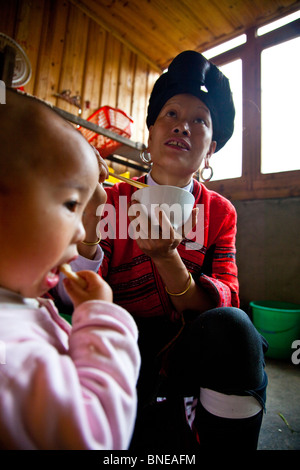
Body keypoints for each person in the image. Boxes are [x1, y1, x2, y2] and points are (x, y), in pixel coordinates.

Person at [60, 51, 268, 451]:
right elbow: (72, 297)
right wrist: (88, 227)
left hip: (188, 349)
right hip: (116, 345)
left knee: (238, 332)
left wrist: (166, 259)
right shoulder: (112, 197)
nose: (183, 127)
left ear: (210, 151)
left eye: (200, 121)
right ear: (150, 136)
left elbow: (224, 305)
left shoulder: (220, 212)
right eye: (171, 114)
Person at [0, 89, 140, 450]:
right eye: (70, 204)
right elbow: (100, 437)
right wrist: (102, 320)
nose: (80, 231)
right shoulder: (9, 359)